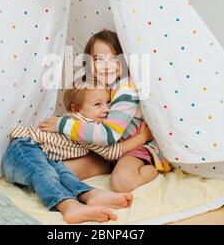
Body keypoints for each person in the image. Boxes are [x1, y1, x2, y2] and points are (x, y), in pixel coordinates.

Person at [40, 30, 171, 193]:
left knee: (122, 183)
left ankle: (154, 169)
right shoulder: (94, 87)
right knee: (55, 172)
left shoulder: (126, 88)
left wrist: (61, 125)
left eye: (114, 58)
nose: (107, 65)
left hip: (135, 147)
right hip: (108, 152)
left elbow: (108, 135)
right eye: (98, 59)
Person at [3, 81, 152, 224]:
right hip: (23, 150)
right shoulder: (84, 127)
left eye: (108, 103)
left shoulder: (85, 123)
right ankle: (69, 207)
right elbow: (111, 153)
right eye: (97, 104)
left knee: (62, 173)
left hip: (42, 156)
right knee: (45, 173)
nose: (106, 109)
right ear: (76, 109)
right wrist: (142, 137)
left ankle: (90, 195)